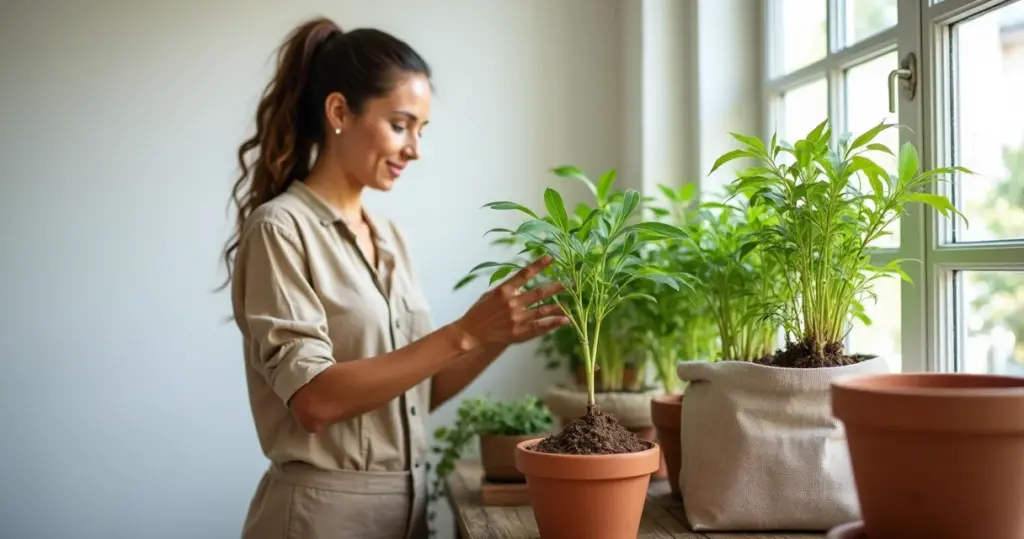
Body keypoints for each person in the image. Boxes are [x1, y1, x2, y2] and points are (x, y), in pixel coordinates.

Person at [219, 16, 569, 539]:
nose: (415, 149)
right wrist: (465, 332)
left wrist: (497, 333)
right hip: (321, 518)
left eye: (421, 130)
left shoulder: (390, 239)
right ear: (339, 112)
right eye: (401, 125)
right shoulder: (280, 229)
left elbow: (414, 394)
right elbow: (314, 400)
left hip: (408, 512)